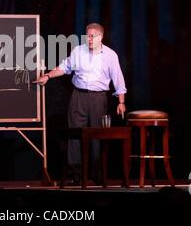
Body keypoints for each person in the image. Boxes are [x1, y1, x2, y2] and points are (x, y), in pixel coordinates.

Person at [35, 23, 127, 184]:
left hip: (99, 98)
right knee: (75, 135)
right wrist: (48, 76)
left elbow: (118, 78)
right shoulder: (78, 51)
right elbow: (65, 67)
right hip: (79, 97)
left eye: (93, 36)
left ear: (101, 37)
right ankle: (75, 175)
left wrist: (121, 102)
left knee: (98, 136)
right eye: (87, 36)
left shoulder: (110, 55)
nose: (89, 39)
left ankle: (98, 174)